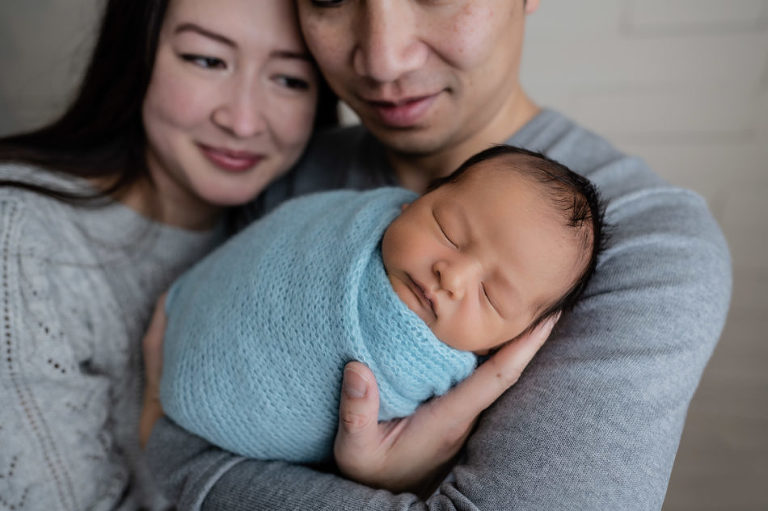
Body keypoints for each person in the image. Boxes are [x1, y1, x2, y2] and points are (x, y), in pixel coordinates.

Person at [144, 0, 733, 509]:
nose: (383, 60)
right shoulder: (277, 163)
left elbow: (161, 439)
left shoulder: (647, 249)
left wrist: (167, 453)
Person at [0, 0, 336, 508]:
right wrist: (168, 440)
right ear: (133, 53)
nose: (243, 121)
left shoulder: (301, 248)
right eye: (207, 60)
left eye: (290, 79)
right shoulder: (23, 241)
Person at [158, 145, 605, 464]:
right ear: (416, 201)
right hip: (183, 322)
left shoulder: (453, 388)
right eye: (448, 231)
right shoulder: (357, 214)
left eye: (491, 296)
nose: (452, 276)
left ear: (504, 344)